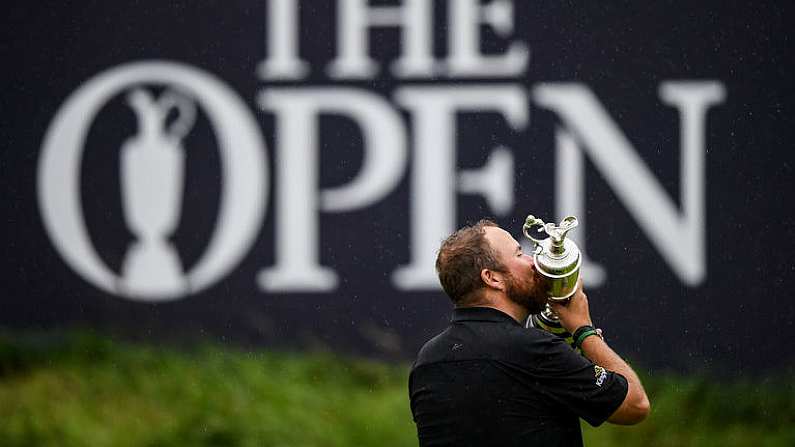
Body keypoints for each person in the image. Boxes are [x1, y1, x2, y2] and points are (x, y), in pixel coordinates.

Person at [409, 219, 650, 446]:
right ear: (492, 278)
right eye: (519, 253)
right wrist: (583, 329)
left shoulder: (426, 362)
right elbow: (634, 405)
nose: (533, 262)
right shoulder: (533, 350)